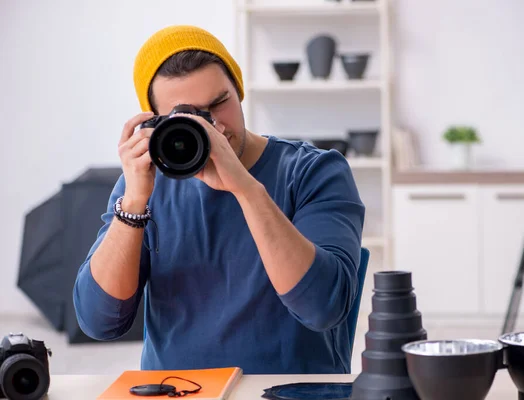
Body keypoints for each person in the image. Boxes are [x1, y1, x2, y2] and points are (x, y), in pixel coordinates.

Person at [72, 25, 365, 375]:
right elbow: (98, 321)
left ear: (238, 91)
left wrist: (244, 187)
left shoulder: (315, 171)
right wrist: (133, 204)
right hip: (178, 391)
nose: (215, 128)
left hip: (287, 390)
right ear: (157, 122)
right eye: (190, 115)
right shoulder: (143, 187)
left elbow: (323, 307)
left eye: (219, 104)